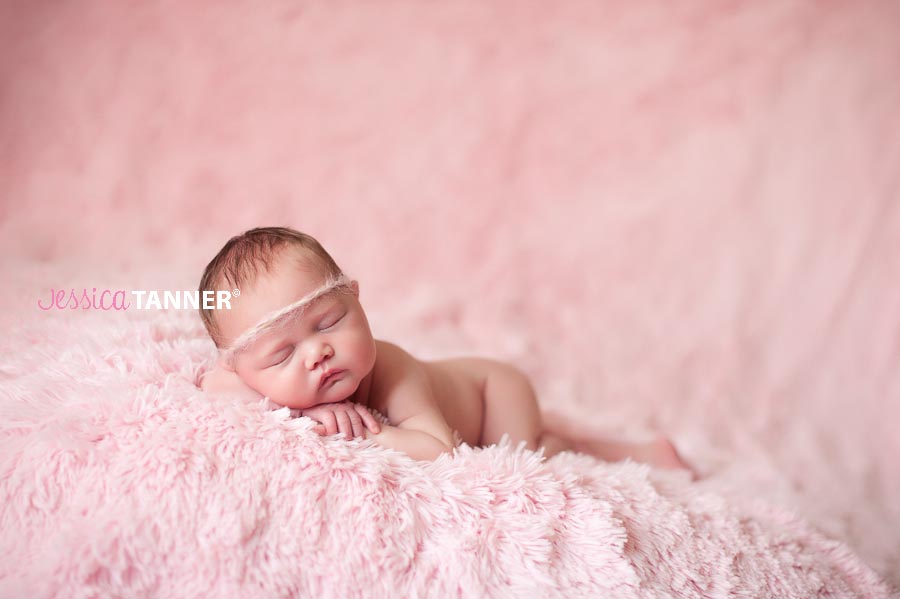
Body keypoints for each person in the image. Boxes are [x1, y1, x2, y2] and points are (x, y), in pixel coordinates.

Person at [198, 227, 691, 469]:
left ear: (356, 297)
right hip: (478, 387)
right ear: (243, 367)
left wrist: (364, 433)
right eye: (282, 356)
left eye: (329, 322)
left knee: (528, 456)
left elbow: (439, 450)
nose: (316, 353)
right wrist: (307, 416)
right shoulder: (241, 373)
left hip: (491, 391)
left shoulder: (392, 370)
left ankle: (636, 455)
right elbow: (214, 388)